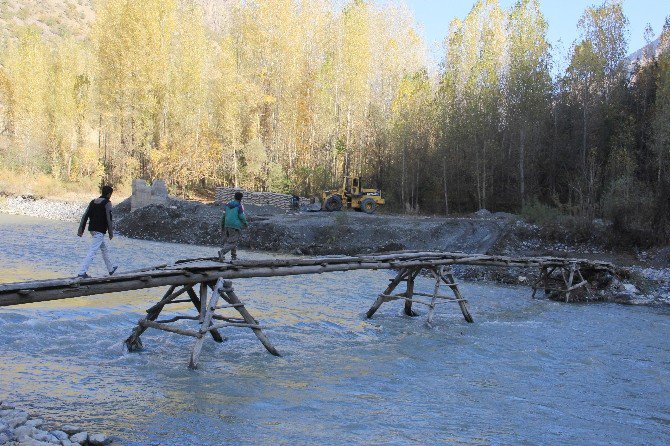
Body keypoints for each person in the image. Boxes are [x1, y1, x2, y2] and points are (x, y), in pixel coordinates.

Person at [76, 185, 118, 278]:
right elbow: (109, 218)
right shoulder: (107, 203)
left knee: (103, 249)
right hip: (100, 231)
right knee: (92, 251)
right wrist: (111, 233)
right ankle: (82, 272)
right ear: (109, 194)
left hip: (92, 229)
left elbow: (85, 215)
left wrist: (81, 230)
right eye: (111, 194)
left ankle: (111, 269)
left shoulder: (93, 202)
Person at [218, 191, 248, 261]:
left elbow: (223, 216)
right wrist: (246, 223)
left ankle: (233, 256)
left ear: (234, 197)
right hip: (235, 226)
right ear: (241, 198)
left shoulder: (228, 205)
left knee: (232, 240)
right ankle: (222, 252)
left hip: (227, 224)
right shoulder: (239, 206)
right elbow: (241, 216)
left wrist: (222, 225)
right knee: (233, 242)